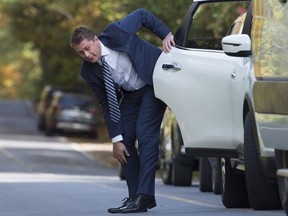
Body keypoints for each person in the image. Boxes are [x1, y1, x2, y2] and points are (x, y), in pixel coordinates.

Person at [70, 8, 174, 214]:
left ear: (96, 39)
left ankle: (145, 196)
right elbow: (107, 103)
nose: (87, 55)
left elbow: (142, 15)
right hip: (132, 96)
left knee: (145, 135)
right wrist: (115, 139)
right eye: (81, 52)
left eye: (88, 48)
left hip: (153, 84)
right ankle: (135, 196)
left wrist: (166, 34)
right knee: (123, 143)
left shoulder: (116, 31)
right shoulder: (88, 71)